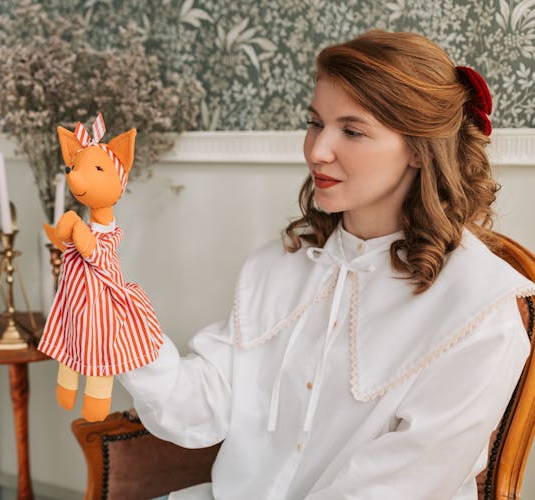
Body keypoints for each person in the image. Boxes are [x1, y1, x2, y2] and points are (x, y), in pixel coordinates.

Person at [118, 30, 534, 499]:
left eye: (352, 131)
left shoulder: (478, 308)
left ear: (419, 148)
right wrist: (119, 326)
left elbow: (400, 483)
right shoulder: (278, 265)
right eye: (315, 123)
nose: (317, 150)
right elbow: (198, 411)